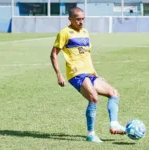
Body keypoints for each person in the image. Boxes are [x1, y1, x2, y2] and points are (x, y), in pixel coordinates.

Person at [50, 7, 125, 143]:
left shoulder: (85, 32)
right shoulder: (64, 33)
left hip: (89, 73)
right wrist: (59, 74)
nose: (81, 22)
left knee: (114, 93)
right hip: (76, 74)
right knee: (93, 98)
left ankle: (114, 124)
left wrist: (96, 74)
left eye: (83, 19)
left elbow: (87, 55)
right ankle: (91, 134)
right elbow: (53, 54)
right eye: (78, 19)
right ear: (70, 19)